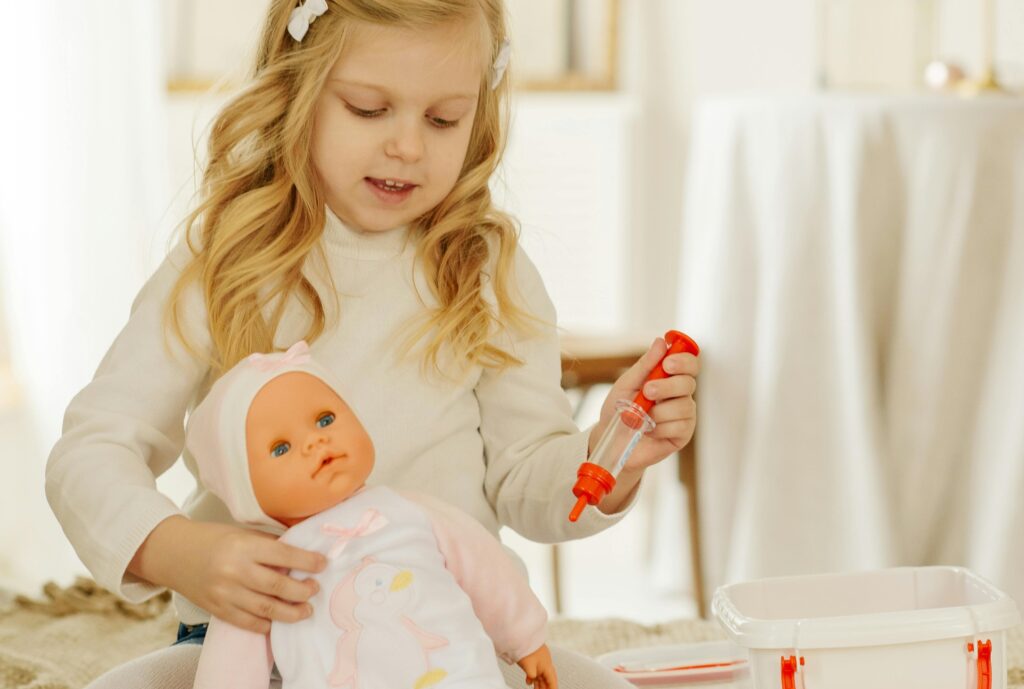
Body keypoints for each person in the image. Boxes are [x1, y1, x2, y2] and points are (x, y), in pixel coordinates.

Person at [45, 1, 700, 687]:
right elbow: (90, 452)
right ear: (297, 90)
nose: (409, 147)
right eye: (368, 109)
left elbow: (526, 478)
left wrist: (612, 453)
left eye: (444, 119)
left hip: (446, 641)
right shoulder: (226, 260)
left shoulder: (487, 271)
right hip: (256, 647)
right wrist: (179, 552)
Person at [188, 340, 556, 689]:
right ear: (246, 491)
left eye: (325, 420)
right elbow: (230, 665)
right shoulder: (265, 570)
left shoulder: (409, 511)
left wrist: (524, 638)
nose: (316, 441)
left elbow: (483, 565)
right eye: (281, 448)